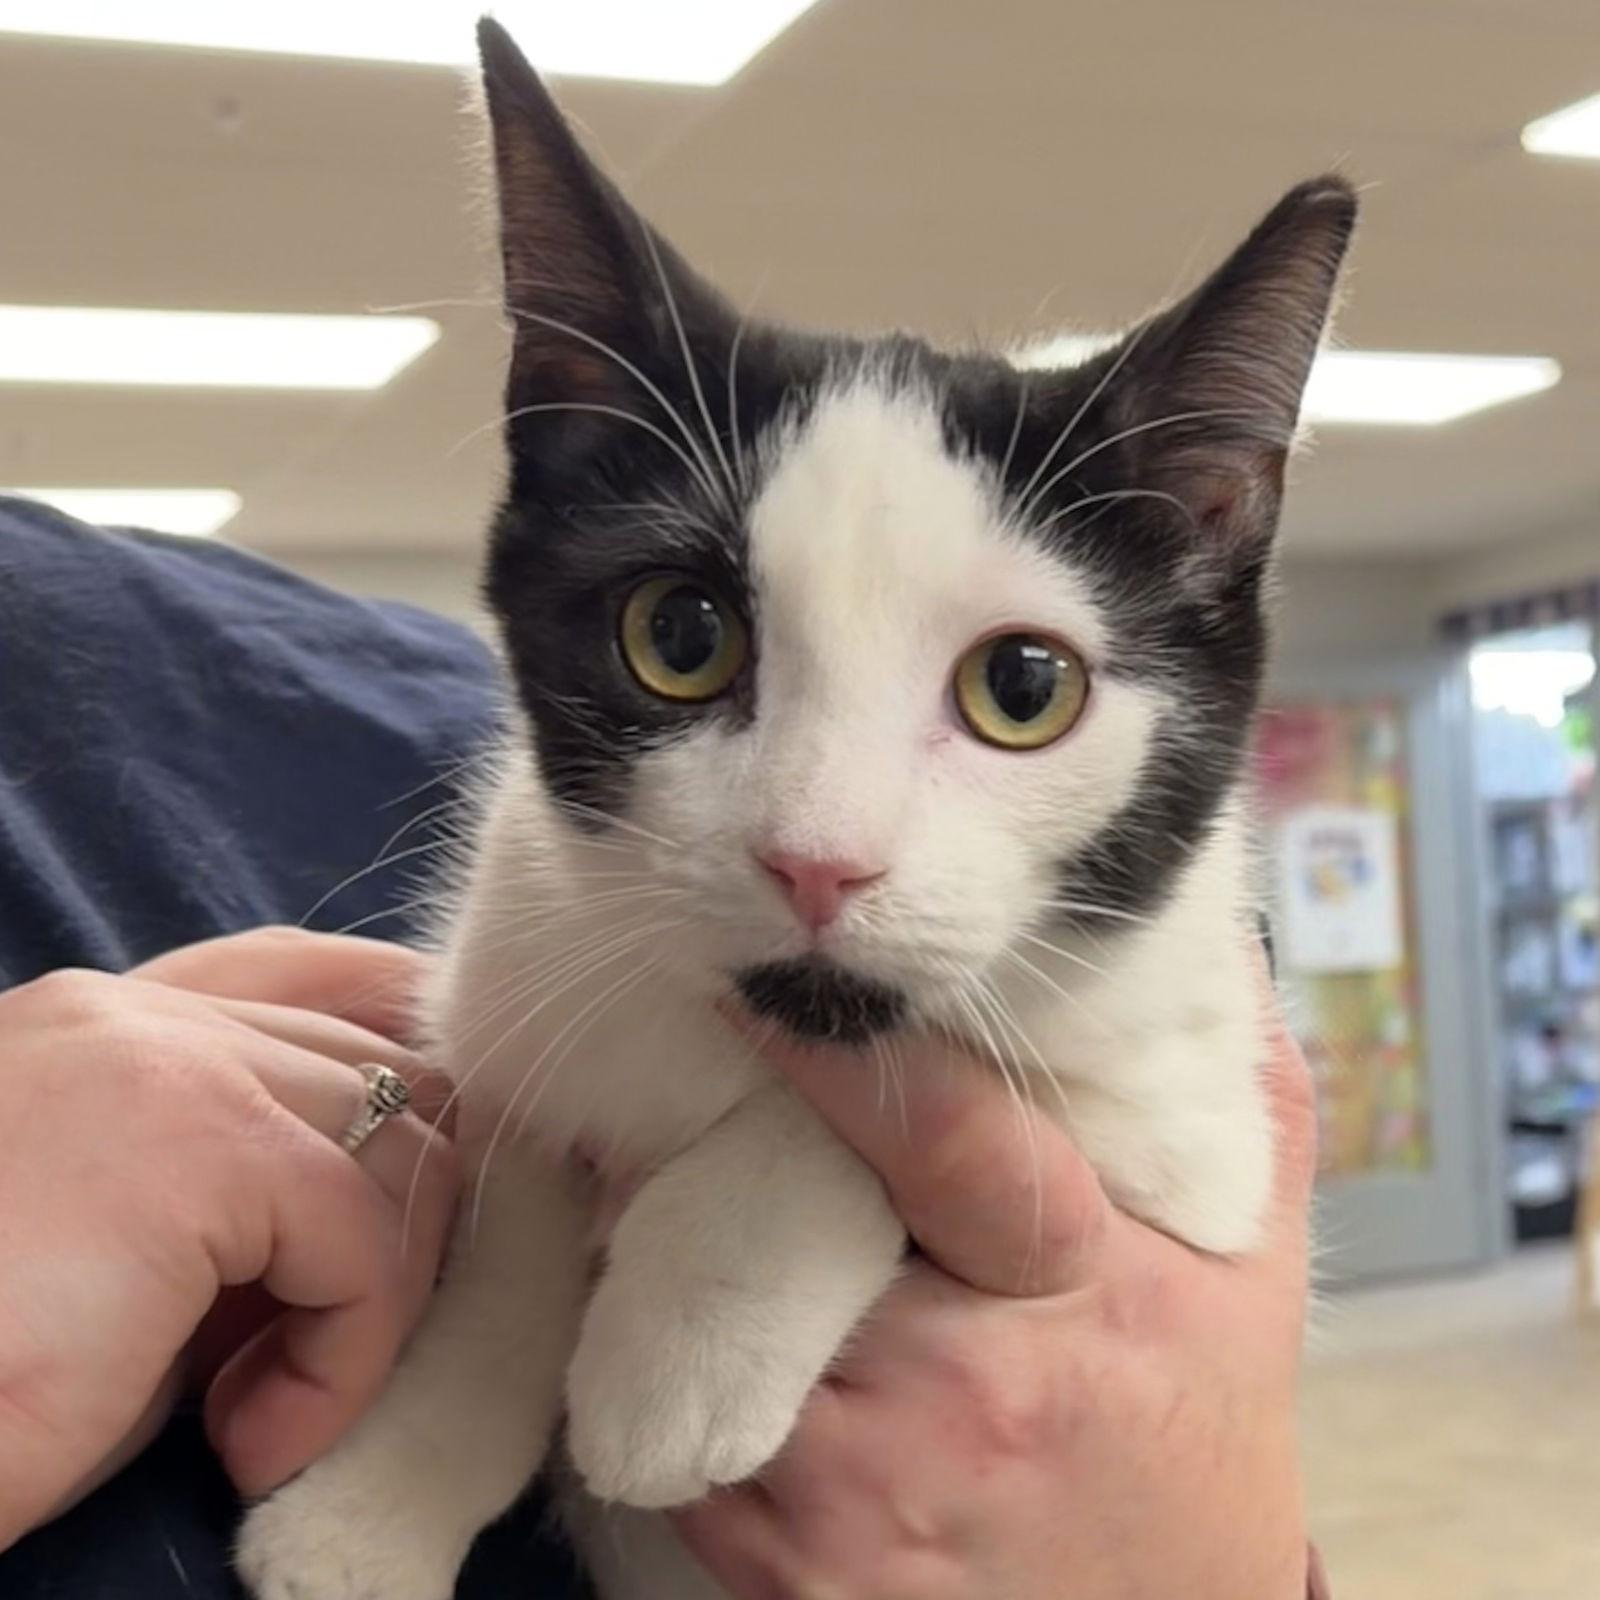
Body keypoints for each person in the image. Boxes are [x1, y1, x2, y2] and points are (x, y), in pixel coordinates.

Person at [0, 497, 1329, 1598]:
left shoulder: (349, 700)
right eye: (687, 640)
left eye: (1017, 686)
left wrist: (1232, 1555)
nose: (823, 838)